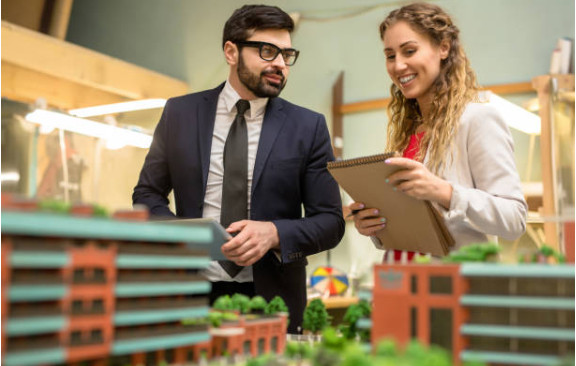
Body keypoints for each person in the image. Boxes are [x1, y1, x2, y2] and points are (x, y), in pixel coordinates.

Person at [133, 4, 344, 333]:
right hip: (190, 291)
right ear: (231, 52)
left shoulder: (309, 127)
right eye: (267, 51)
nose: (279, 64)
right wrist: (181, 237)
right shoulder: (180, 113)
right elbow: (147, 193)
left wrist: (275, 233)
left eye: (286, 55)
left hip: (274, 299)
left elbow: (331, 222)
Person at [349, 2, 527, 262]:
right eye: (390, 56)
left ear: (443, 47)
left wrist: (445, 192)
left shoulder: (477, 119)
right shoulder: (409, 130)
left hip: (455, 288)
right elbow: (417, 225)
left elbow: (514, 219)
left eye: (409, 51)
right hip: (403, 281)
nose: (398, 66)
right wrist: (375, 225)